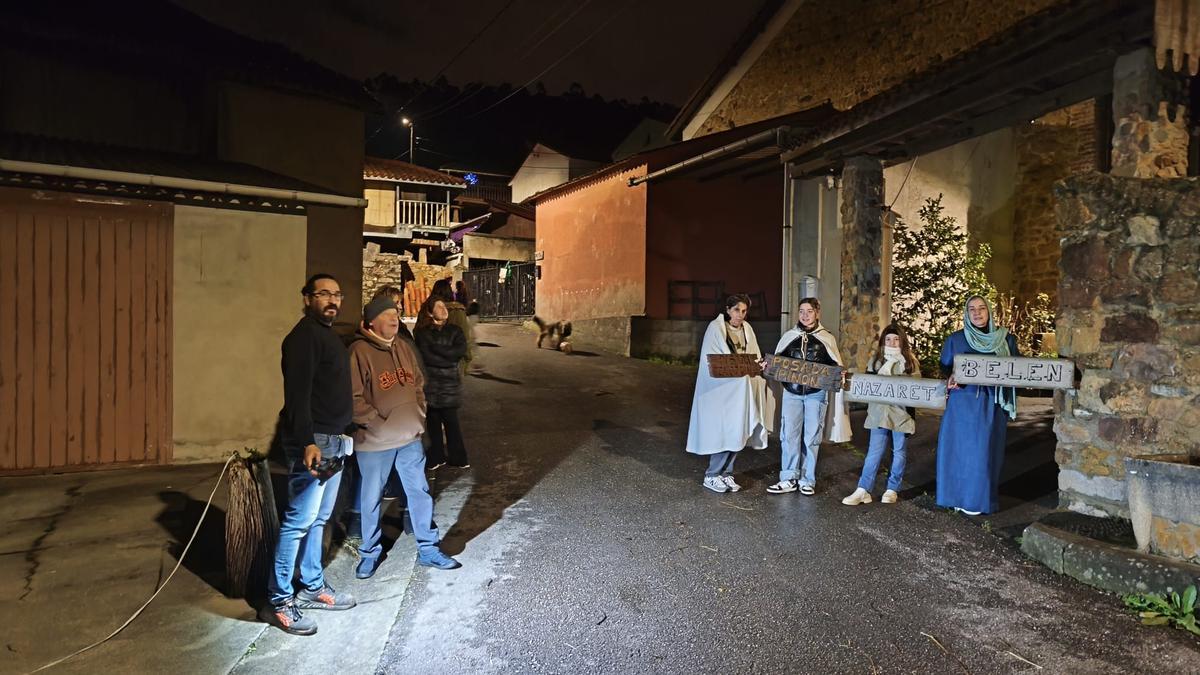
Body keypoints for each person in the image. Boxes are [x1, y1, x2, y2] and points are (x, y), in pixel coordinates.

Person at [260, 273, 357, 636]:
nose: (331, 300)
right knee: (299, 520)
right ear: (307, 298)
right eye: (323, 294)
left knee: (319, 519)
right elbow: (297, 396)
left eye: (337, 294)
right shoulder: (303, 338)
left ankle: (313, 586)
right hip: (315, 442)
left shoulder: (326, 335)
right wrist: (306, 443)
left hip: (332, 440)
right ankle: (280, 600)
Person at [349, 295, 461, 575]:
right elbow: (352, 398)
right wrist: (377, 424)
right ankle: (369, 552)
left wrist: (419, 415)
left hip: (409, 438)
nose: (393, 318)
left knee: (419, 492)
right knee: (371, 498)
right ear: (371, 321)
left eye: (396, 313)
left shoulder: (404, 347)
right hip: (375, 443)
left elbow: (419, 384)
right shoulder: (359, 351)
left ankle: (429, 549)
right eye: (387, 314)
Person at [936, 295, 1019, 516]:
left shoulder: (1005, 340)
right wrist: (951, 375)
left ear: (989, 311)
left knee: (983, 453)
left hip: (990, 404)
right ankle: (954, 497)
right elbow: (945, 368)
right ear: (966, 313)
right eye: (972, 309)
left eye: (982, 308)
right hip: (962, 404)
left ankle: (978, 501)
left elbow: (1017, 371)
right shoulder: (955, 339)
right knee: (958, 451)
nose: (977, 313)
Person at [685, 294, 775, 493]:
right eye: (736, 310)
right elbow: (715, 361)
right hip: (722, 392)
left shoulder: (747, 330)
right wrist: (739, 372)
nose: (740, 315)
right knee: (723, 431)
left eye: (744, 311)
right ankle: (712, 474)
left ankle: (727, 473)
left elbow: (754, 356)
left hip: (743, 390)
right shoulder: (716, 329)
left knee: (739, 430)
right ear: (727, 310)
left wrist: (758, 366)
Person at [766, 297, 851, 496]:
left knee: (812, 436)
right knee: (789, 435)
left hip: (816, 394)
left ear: (817, 313)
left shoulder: (826, 338)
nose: (805, 315)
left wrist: (839, 373)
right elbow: (779, 362)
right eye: (801, 311)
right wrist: (768, 366)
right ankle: (788, 478)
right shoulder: (790, 336)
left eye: (809, 311)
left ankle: (807, 479)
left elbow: (834, 364)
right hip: (792, 393)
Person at [842, 324, 921, 506]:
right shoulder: (876, 361)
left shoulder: (910, 362)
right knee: (874, 452)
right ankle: (863, 489)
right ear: (883, 342)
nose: (892, 342)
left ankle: (892, 489)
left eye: (895, 339)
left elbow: (918, 389)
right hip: (879, 413)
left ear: (902, 341)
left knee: (899, 451)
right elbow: (866, 384)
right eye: (888, 339)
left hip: (901, 414)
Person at [414, 297, 471, 469]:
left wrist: (438, 350)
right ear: (430, 312)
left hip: (449, 386)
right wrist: (448, 356)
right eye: (439, 307)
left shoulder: (455, 330)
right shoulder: (423, 333)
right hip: (431, 385)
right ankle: (436, 457)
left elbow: (460, 351)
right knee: (433, 425)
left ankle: (459, 458)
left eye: (444, 306)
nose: (444, 309)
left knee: (452, 424)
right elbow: (426, 356)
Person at [431, 278, 475, 371]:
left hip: (431, 361)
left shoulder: (427, 309)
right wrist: (468, 357)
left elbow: (418, 332)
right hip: (454, 362)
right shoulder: (457, 310)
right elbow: (465, 336)